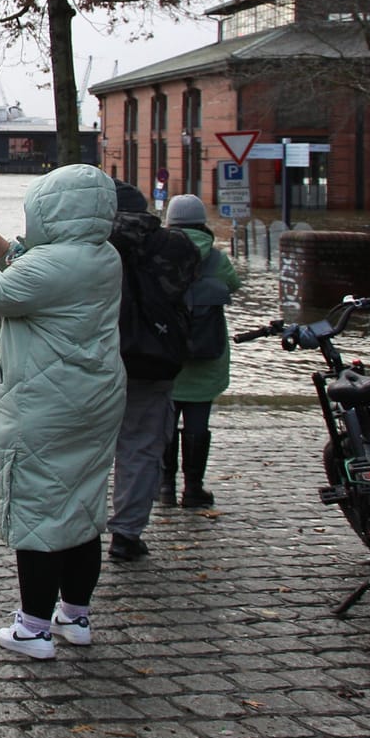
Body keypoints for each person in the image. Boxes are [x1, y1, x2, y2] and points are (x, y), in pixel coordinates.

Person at [0, 164, 126, 660]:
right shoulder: (102, 255)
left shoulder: (51, 268)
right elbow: (37, 273)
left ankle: (32, 629)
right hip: (92, 400)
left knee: (36, 512)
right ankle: (74, 616)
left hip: (44, 405)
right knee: (80, 508)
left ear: (51, 212)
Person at [104, 180, 197, 562]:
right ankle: (126, 533)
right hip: (154, 358)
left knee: (83, 447)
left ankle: (73, 533)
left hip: (97, 358)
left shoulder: (90, 246)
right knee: (141, 448)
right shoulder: (175, 245)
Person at [164, 194, 241, 509]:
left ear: (170, 223)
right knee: (198, 425)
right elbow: (233, 285)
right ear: (202, 223)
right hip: (207, 356)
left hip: (167, 357)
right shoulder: (217, 259)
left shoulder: (162, 255)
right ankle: (193, 489)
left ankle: (164, 487)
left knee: (164, 424)